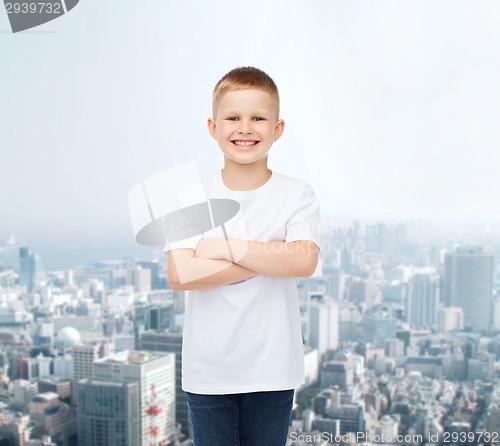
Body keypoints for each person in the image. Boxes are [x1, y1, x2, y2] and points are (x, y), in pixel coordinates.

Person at [165, 66, 321, 446]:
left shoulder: (296, 194)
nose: (245, 128)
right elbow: (181, 274)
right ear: (213, 126)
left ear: (277, 128)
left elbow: (302, 261)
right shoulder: (192, 194)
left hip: (273, 368)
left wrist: (226, 247)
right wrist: (266, 258)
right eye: (233, 117)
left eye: (258, 118)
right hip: (208, 370)